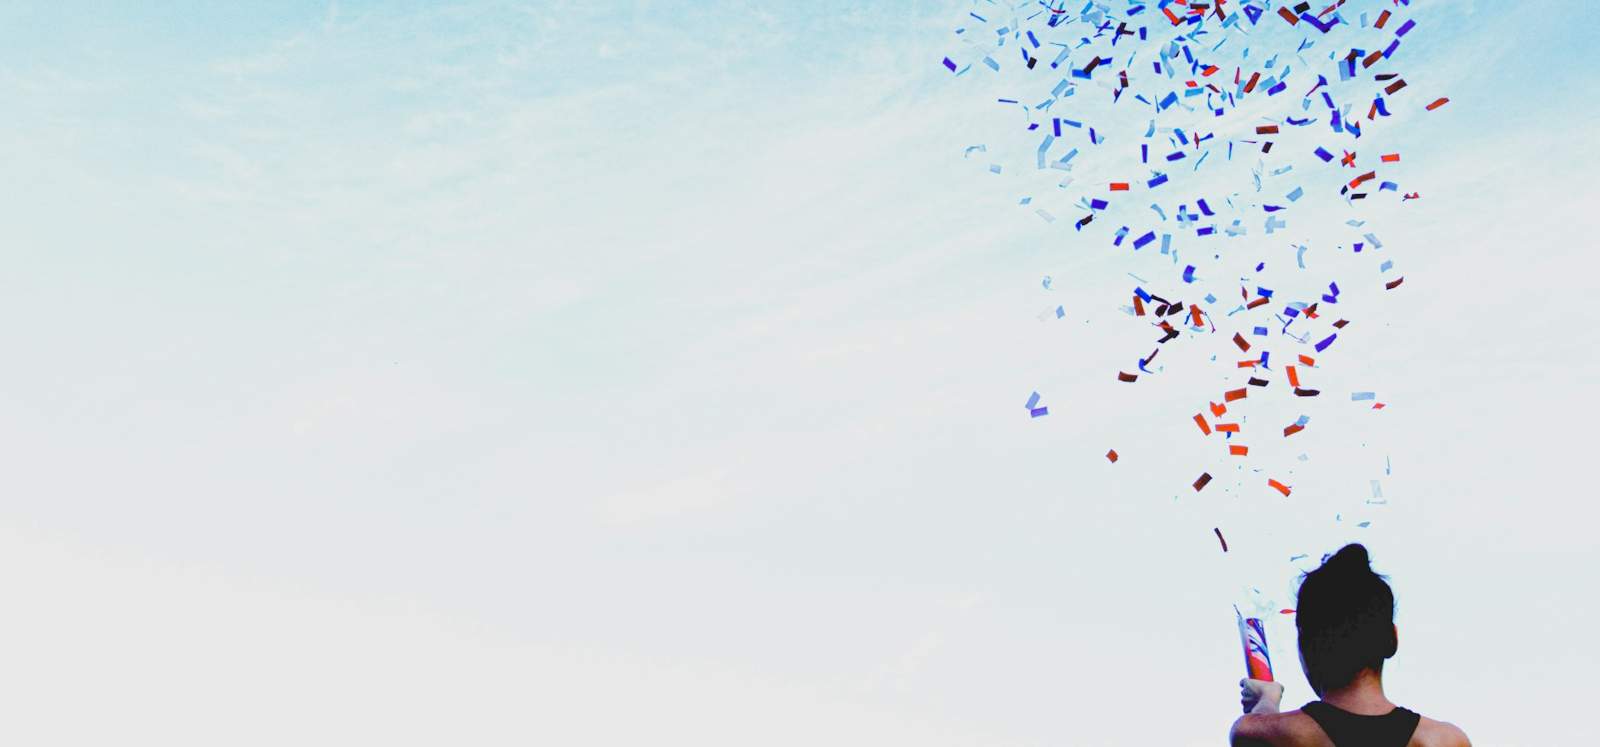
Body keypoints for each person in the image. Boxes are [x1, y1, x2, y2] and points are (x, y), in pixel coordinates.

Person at [1228, 544, 1470, 746]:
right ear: (1391, 640)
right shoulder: (1446, 741)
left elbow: (1263, 731)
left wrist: (1266, 700)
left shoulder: (1259, 733)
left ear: (1306, 647)